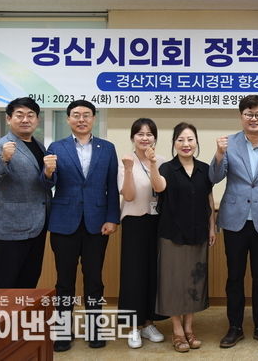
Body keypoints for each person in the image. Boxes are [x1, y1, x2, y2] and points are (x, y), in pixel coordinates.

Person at [208, 94, 258, 348]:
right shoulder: (229, 143)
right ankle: (235, 327)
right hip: (235, 219)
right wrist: (219, 154)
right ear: (241, 116)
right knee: (234, 276)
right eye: (248, 114)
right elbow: (214, 177)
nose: (254, 119)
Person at [46, 100, 119, 352]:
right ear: (68, 119)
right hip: (63, 222)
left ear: (94, 119)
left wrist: (112, 218)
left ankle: (94, 329)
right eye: (76, 115)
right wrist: (47, 172)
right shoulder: (56, 147)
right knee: (64, 281)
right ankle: (63, 331)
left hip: (97, 224)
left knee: (94, 279)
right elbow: (48, 184)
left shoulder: (107, 148)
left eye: (86, 115)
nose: (81, 119)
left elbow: (112, 186)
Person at [149, 122, 216, 353]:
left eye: (190, 139)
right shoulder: (167, 168)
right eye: (181, 140)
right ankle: (177, 330)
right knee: (174, 282)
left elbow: (209, 199)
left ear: (196, 142)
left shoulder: (205, 169)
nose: (186, 144)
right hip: (172, 234)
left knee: (194, 282)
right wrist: (152, 164)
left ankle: (189, 327)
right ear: (174, 143)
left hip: (199, 233)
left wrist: (212, 227)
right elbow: (158, 187)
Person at [0, 97, 55, 289]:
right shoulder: (0, 146)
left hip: (38, 225)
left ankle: (22, 311)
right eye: (20, 115)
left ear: (37, 119)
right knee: (4, 283)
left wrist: (49, 174)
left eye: (30, 115)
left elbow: (42, 184)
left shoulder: (39, 146)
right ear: (8, 119)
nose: (25, 119)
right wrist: (4, 160)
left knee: (28, 281)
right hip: (12, 228)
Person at [117, 118, 167, 349]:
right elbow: (128, 196)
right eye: (140, 134)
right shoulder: (125, 162)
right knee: (133, 275)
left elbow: (160, 189)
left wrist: (153, 163)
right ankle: (133, 327)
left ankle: (148, 323)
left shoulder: (162, 161)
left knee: (153, 273)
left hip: (157, 222)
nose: (145, 138)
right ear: (133, 137)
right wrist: (128, 169)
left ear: (154, 138)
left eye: (149, 134)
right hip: (134, 222)